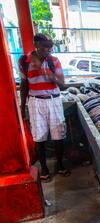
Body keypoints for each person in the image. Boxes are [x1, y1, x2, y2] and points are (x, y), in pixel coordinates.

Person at [19, 33, 70, 182]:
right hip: (35, 101)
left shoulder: (54, 61)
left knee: (58, 134)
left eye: (50, 47)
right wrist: (23, 107)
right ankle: (44, 168)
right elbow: (24, 85)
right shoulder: (24, 61)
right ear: (36, 45)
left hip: (53, 100)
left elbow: (62, 83)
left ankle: (60, 165)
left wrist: (50, 75)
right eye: (45, 47)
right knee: (39, 137)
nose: (48, 50)